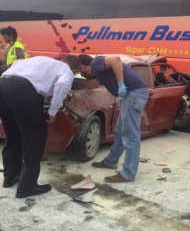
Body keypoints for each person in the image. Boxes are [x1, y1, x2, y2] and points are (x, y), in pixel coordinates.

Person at [0, 55, 81, 198]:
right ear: (75, 68)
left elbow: (17, 65)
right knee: (34, 140)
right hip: (23, 91)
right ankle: (27, 187)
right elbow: (62, 85)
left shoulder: (42, 60)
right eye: (75, 73)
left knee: (13, 136)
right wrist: (52, 112)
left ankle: (10, 178)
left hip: (3, 85)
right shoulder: (66, 71)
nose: (73, 75)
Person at [78, 54, 149, 183]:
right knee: (120, 131)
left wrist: (121, 84)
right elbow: (94, 85)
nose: (81, 74)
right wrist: (76, 82)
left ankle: (128, 174)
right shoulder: (98, 73)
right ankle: (111, 161)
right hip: (131, 95)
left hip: (133, 94)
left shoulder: (96, 63)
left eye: (79, 72)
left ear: (83, 67)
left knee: (130, 135)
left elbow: (115, 60)